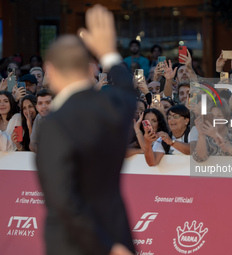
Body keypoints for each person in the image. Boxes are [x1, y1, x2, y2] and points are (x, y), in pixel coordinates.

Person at [36, 5, 135, 255]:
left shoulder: (55, 124)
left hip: (75, 246)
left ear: (50, 69)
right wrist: (109, 53)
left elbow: (64, 202)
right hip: (118, 235)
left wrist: (108, 248)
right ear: (90, 67)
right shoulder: (114, 107)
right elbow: (127, 88)